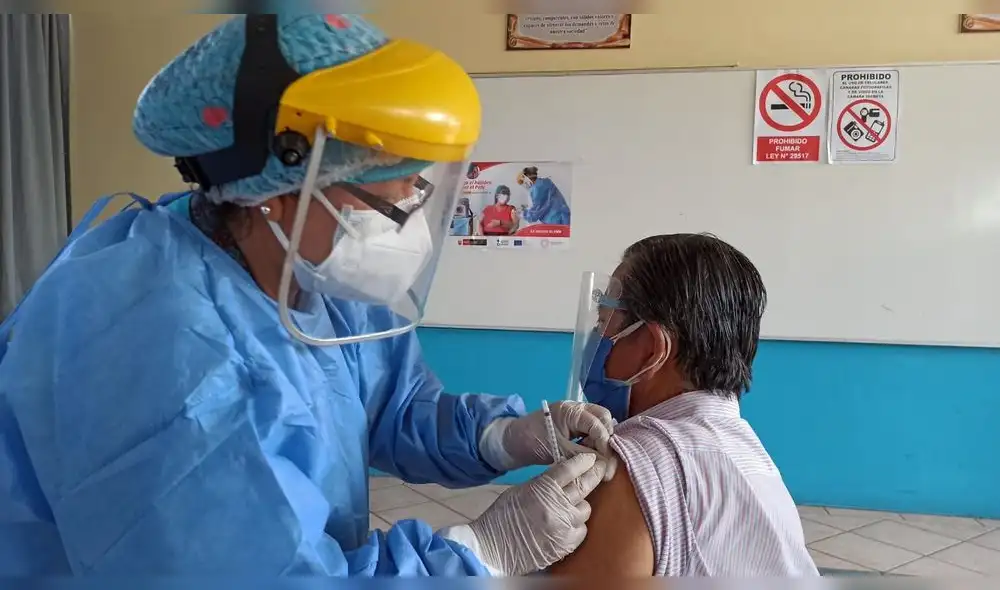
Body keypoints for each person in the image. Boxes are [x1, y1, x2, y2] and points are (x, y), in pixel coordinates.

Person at [0, 15, 617, 576]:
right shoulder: (154, 346)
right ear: (277, 184)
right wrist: (480, 551)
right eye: (387, 192)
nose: (409, 215)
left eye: (419, 188)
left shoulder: (307, 269)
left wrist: (503, 436)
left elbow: (388, 405)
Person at [548, 234, 818, 577]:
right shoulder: (751, 456)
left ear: (653, 348)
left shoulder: (624, 467)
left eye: (604, 324)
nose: (596, 341)